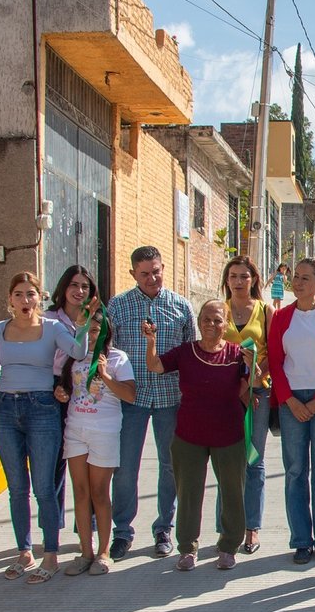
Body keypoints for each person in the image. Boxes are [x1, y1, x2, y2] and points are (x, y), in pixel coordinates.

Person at [0, 272, 85, 583]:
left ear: (40, 297)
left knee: (44, 488)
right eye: (19, 294)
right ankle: (24, 551)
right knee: (17, 488)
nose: (25, 300)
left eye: (31, 294)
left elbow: (78, 352)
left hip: (42, 408)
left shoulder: (53, 327)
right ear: (10, 299)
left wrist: (83, 326)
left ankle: (50, 555)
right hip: (5, 408)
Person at [144, 301, 250, 572]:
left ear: (226, 324)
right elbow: (155, 365)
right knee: (189, 493)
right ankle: (187, 548)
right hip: (189, 435)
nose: (211, 324)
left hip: (229, 434)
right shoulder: (185, 351)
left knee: (232, 493)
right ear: (199, 321)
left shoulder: (237, 354)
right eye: (206, 319)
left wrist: (254, 370)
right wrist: (151, 341)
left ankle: (228, 547)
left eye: (217, 320)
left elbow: (251, 387)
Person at [106, 246, 197, 560]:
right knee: (125, 467)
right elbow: (107, 350)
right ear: (133, 273)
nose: (151, 278)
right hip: (132, 399)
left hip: (171, 398)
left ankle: (164, 528)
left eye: (156, 271)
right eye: (144, 273)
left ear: (163, 268)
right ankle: (122, 531)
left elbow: (191, 354)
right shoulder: (118, 306)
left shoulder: (181, 306)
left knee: (170, 466)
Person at [269, 258, 315, 565]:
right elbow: (275, 362)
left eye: (305, 278)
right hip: (291, 403)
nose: (297, 283)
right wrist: (290, 400)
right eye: (295, 277)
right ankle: (301, 540)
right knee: (295, 471)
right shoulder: (281, 317)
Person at [57, 307, 136, 576]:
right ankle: (85, 552)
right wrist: (61, 393)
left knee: (99, 492)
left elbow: (130, 395)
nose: (90, 336)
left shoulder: (117, 358)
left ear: (105, 332)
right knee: (80, 492)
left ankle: (103, 552)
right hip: (75, 429)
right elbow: (68, 389)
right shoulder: (73, 356)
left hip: (104, 431)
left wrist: (105, 375)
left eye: (95, 330)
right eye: (85, 330)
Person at [221, 257, 272, 555]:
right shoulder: (219, 310)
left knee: (254, 460)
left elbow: (273, 352)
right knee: (226, 460)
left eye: (244, 276)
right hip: (225, 395)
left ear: (253, 279)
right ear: (226, 280)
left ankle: (252, 527)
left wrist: (254, 378)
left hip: (257, 394)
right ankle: (227, 527)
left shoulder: (265, 311)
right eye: (233, 276)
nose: (239, 282)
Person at [47, 264, 99, 514]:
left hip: (85, 390)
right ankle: (53, 525)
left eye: (85, 286)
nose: (79, 291)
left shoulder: (96, 318)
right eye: (74, 285)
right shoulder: (48, 319)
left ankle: (87, 526)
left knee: (88, 462)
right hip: (54, 389)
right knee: (56, 460)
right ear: (63, 287)